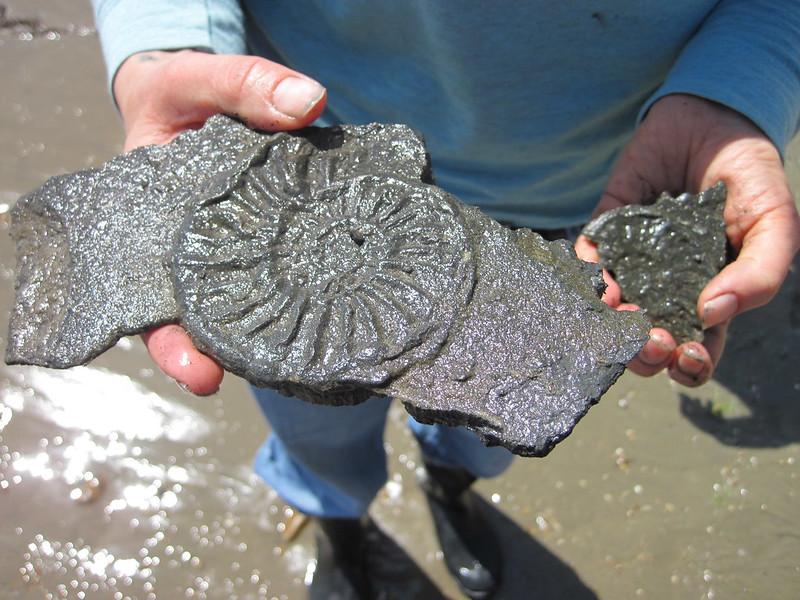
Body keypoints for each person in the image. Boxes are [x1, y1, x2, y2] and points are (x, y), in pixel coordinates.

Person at [90, 1, 800, 598]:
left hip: (576, 205)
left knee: (493, 424)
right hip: (297, 166)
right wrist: (164, 42)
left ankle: (451, 486)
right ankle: (340, 523)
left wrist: (736, 87)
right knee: (317, 434)